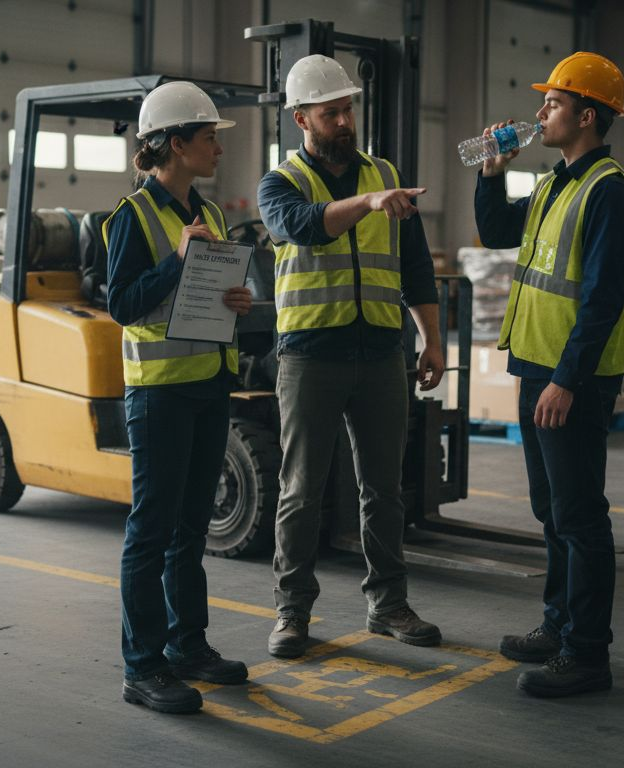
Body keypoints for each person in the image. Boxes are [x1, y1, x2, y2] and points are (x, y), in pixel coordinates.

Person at [257, 54, 445, 658]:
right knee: (301, 490)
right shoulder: (279, 183)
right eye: (331, 112)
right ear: (299, 119)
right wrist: (367, 204)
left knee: (384, 490)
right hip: (311, 356)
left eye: (348, 110)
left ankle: (388, 604)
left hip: (382, 354)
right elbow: (303, 226)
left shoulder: (384, 173)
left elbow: (415, 267)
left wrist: (431, 339)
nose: (344, 121)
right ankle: (292, 612)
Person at [473, 52, 624, 698]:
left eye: (554, 101)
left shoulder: (610, 194)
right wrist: (492, 173)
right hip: (536, 369)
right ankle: (558, 623)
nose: (541, 111)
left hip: (571, 380)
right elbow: (494, 231)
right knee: (551, 512)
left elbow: (602, 299)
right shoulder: (552, 185)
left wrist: (568, 380)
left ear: (588, 115)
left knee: (579, 515)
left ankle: (587, 654)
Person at [103, 81, 253, 714]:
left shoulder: (211, 216)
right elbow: (122, 304)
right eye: (209, 136)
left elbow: (206, 295)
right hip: (160, 397)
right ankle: (143, 667)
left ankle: (188, 647)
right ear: (174, 144)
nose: (218, 147)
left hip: (207, 388)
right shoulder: (132, 219)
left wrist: (235, 300)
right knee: (152, 530)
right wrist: (178, 261)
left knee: (191, 530)